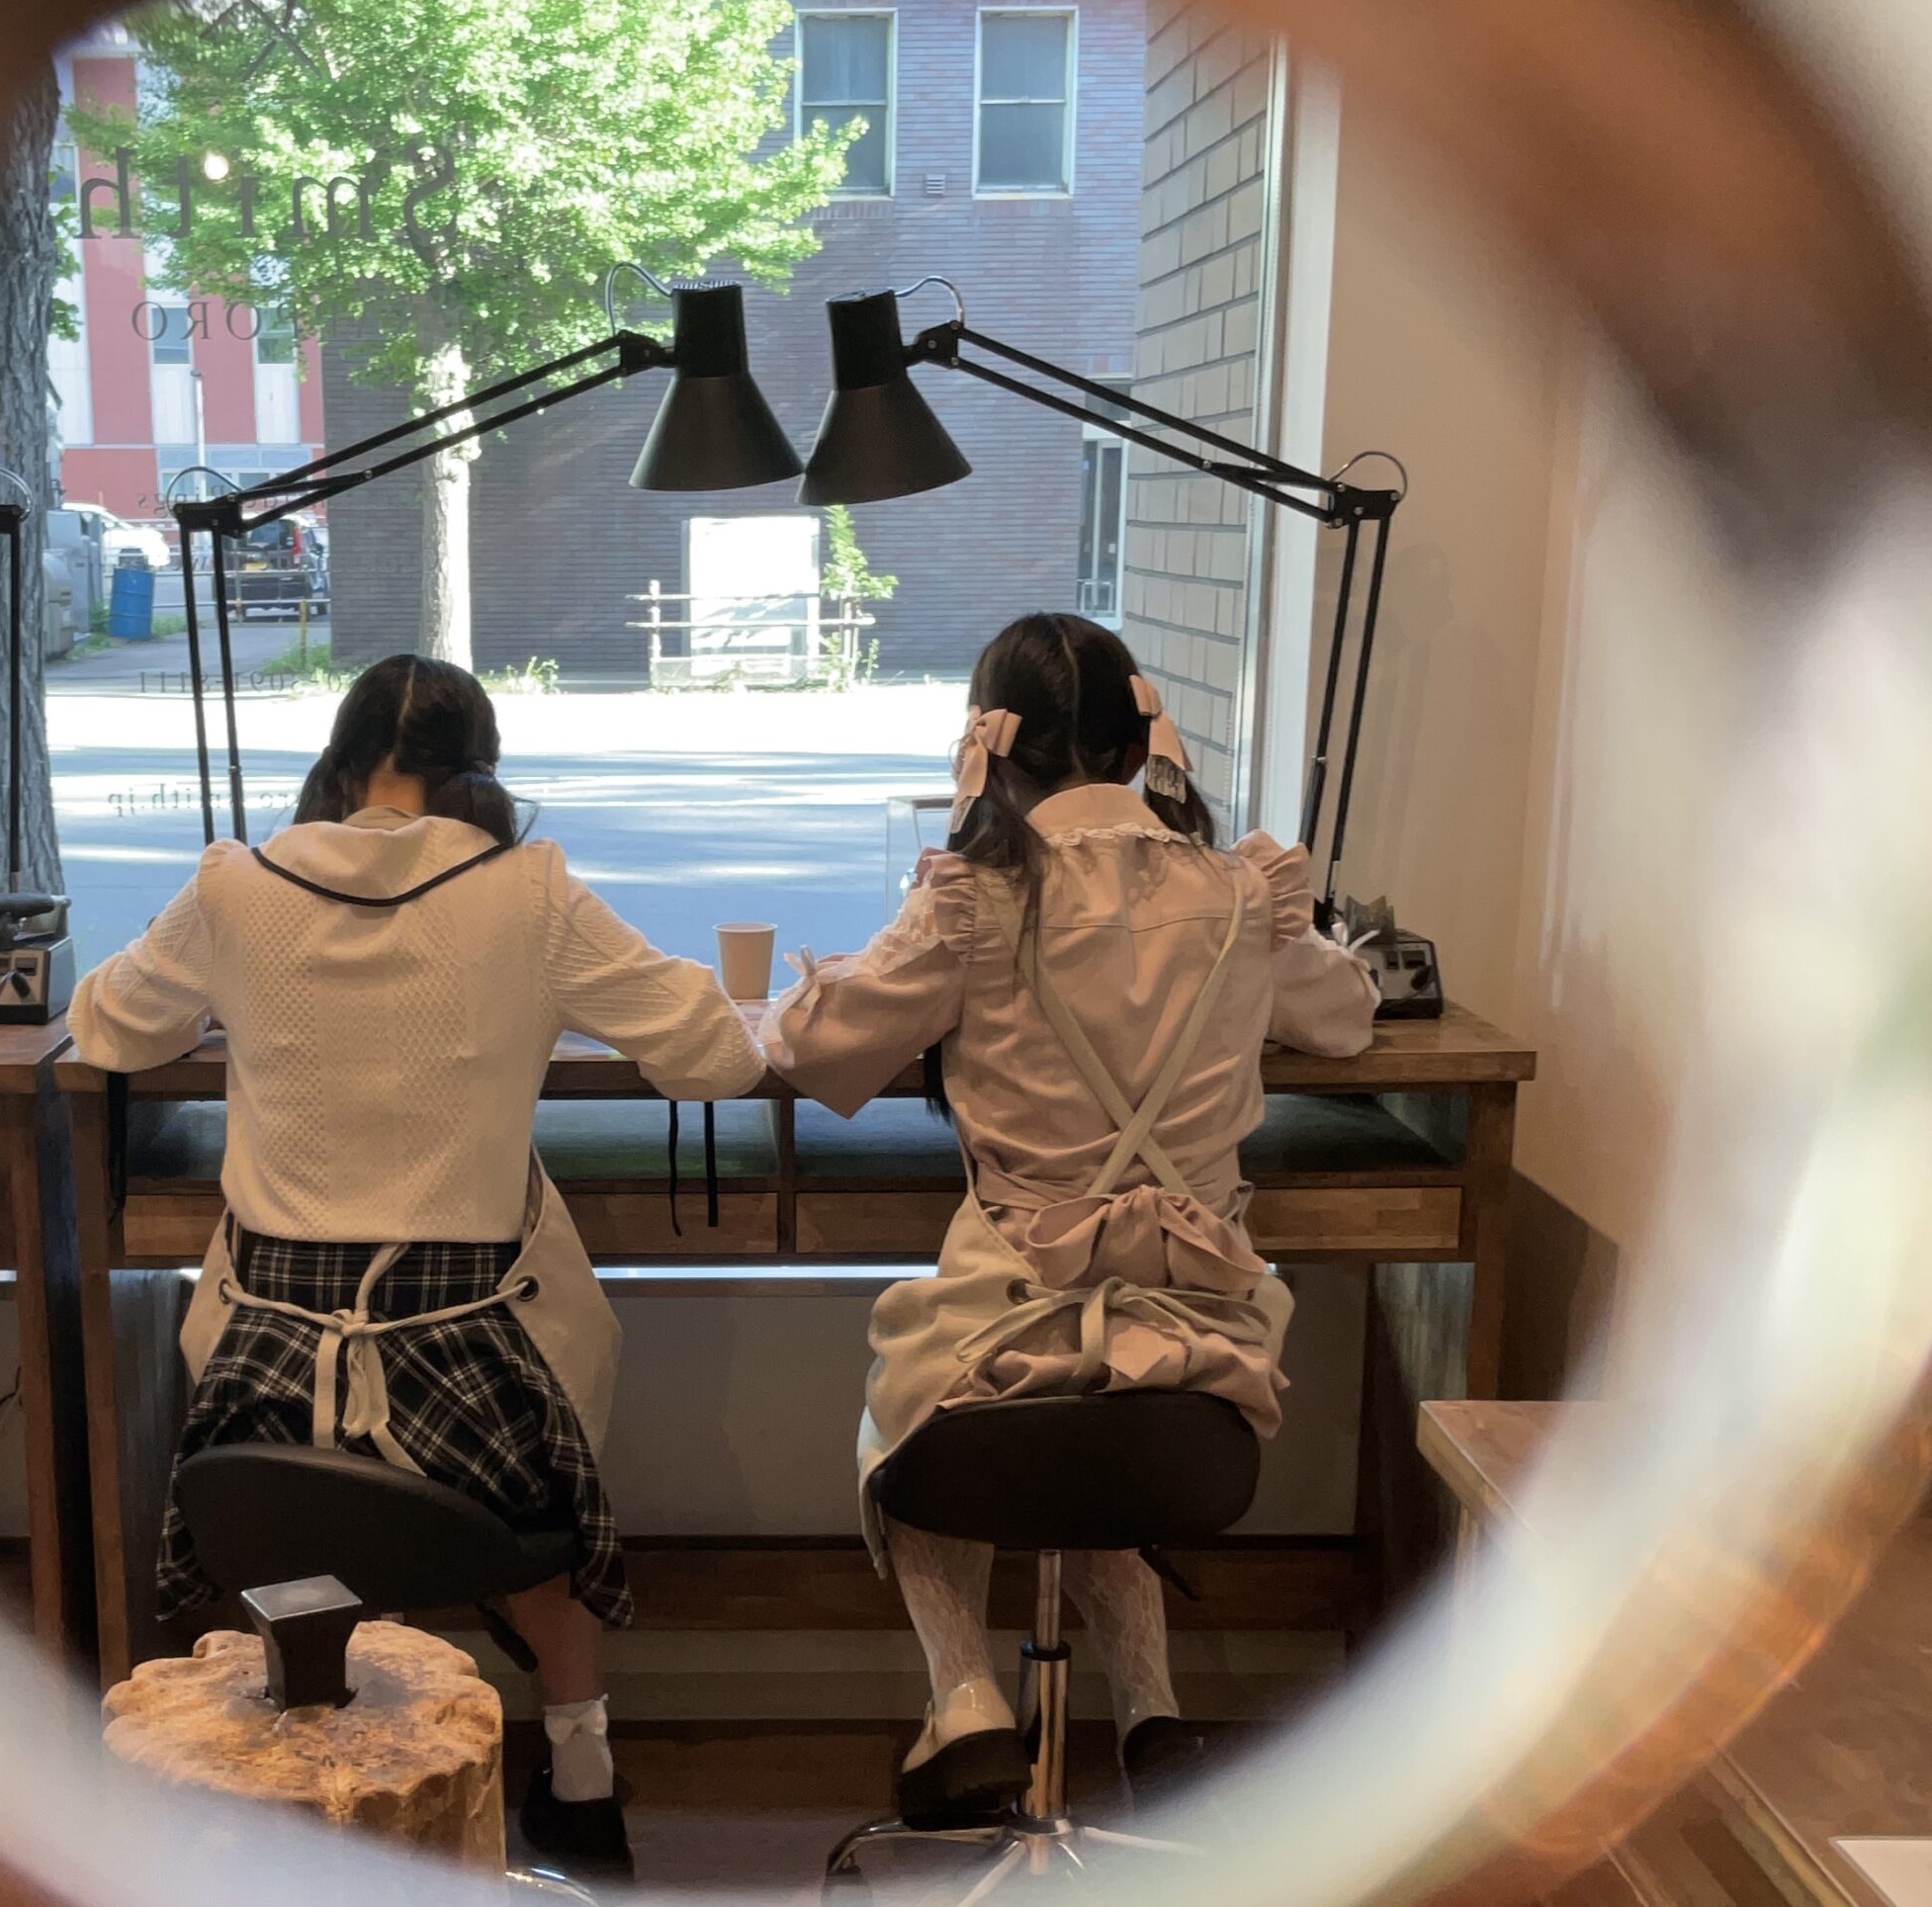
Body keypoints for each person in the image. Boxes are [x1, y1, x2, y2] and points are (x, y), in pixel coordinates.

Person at [68, 654, 762, 1877]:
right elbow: (716, 1055)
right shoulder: (529, 892)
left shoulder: (236, 886)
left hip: (262, 1403)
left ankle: (301, 1775)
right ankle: (583, 1778)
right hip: (473, 1393)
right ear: (478, 773)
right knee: (541, 1491)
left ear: (339, 767)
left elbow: (110, 1024)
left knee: (306, 1496)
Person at [760, 612, 1378, 1827]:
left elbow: (819, 1051)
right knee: (1108, 1396)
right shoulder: (1239, 893)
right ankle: (1150, 1712)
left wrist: (820, 978)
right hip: (1201, 1334)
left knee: (916, 1407)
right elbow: (1345, 1019)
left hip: (1014, 1314)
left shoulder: (977, 903)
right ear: (1141, 744)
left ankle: (967, 1700)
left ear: (986, 749)